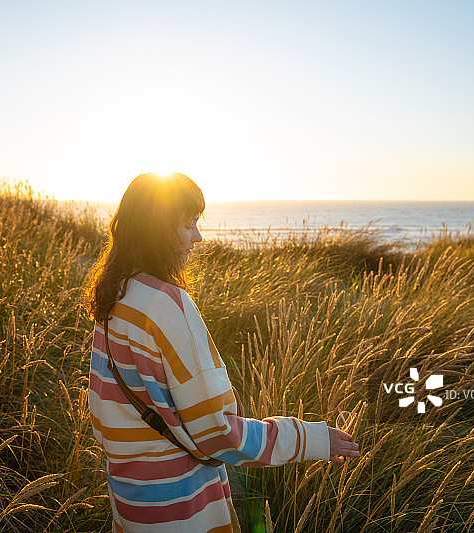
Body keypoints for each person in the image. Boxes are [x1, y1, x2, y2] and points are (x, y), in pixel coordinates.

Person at [83, 172, 359, 532]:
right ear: (157, 230)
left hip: (131, 498)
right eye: (187, 225)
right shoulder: (168, 305)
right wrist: (308, 438)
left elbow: (101, 410)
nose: (197, 237)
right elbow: (217, 432)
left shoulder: (115, 294)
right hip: (181, 505)